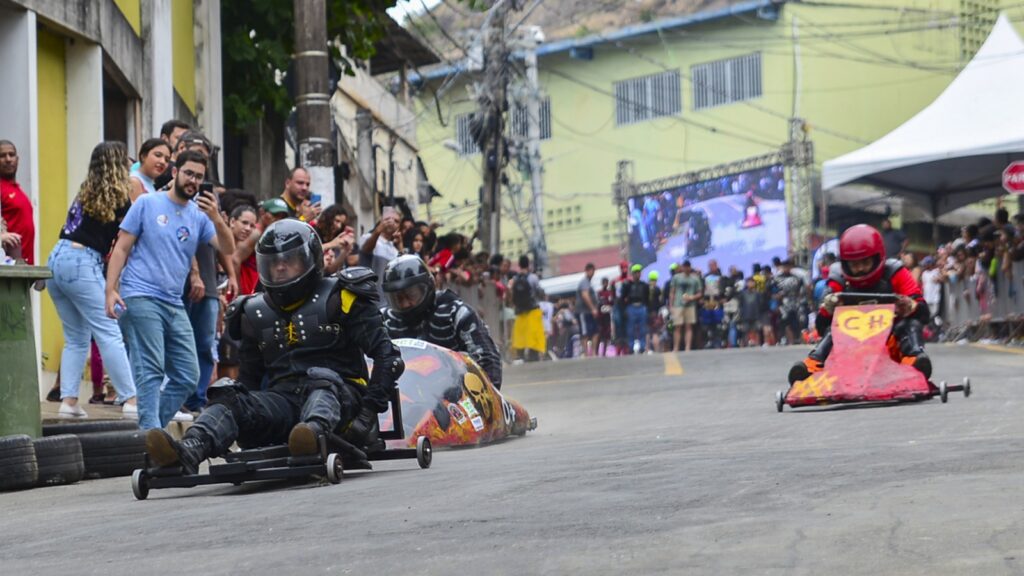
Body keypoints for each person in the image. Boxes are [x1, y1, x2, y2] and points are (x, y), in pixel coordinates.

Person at [144, 220, 404, 474]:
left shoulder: (343, 295)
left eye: (287, 261)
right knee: (230, 394)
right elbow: (249, 380)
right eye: (273, 262)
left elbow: (387, 357)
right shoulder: (254, 311)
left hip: (342, 398)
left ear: (308, 260)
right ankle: (189, 449)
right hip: (285, 402)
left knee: (322, 383)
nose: (279, 268)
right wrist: (246, 416)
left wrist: (367, 415)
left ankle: (312, 436)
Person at [105, 150, 235, 430]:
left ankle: (151, 431)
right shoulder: (147, 204)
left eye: (199, 177)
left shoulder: (200, 217)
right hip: (139, 295)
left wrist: (216, 218)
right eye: (189, 173)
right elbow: (121, 248)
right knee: (150, 369)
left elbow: (228, 248)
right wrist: (110, 290)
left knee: (188, 374)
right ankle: (150, 433)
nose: (193, 180)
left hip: (173, 302)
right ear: (175, 173)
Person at [46, 142, 138, 419]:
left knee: (75, 337)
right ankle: (132, 400)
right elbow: (129, 236)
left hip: (57, 258)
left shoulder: (87, 190)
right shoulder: (122, 195)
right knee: (109, 331)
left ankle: (69, 401)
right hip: (82, 262)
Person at [788, 224, 931, 386]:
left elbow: (924, 314)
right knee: (832, 331)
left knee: (911, 324)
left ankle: (914, 363)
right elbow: (821, 327)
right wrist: (827, 310)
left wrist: (911, 306)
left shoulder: (895, 272)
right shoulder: (838, 279)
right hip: (850, 348)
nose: (861, 269)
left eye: (865, 262)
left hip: (891, 345)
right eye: (854, 265)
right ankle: (811, 367)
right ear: (846, 264)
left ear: (877, 258)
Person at [380, 255, 502, 388]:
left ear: (428, 286)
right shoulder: (384, 320)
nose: (405, 304)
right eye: (398, 299)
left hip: (455, 395)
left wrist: (484, 402)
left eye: (411, 295)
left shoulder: (456, 313)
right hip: (403, 398)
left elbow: (487, 359)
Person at [0, 140, 35, 264]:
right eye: (2, 156)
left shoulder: (18, 190)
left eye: (11, 154)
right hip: (8, 269)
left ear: (17, 159)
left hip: (24, 266)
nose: (8, 159)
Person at [509, 255, 545, 361]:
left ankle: (520, 355)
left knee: (520, 334)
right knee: (534, 334)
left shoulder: (515, 279)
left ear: (519, 265)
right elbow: (539, 292)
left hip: (520, 311)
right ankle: (533, 355)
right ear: (528, 264)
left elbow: (512, 294)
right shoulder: (533, 278)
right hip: (533, 310)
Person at [772, 259, 806, 345]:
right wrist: (776, 299)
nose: (787, 268)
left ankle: (797, 338)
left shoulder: (797, 278)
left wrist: (801, 298)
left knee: (797, 321)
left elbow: (802, 290)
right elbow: (772, 292)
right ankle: (789, 340)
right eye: (785, 267)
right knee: (784, 322)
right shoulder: (777, 279)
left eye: (788, 266)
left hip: (795, 303)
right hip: (783, 304)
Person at [669, 260, 702, 352]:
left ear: (690, 267)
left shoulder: (695, 278)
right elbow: (672, 292)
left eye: (688, 266)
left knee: (688, 326)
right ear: (682, 267)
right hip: (678, 304)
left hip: (690, 304)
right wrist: (671, 305)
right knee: (677, 326)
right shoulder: (676, 278)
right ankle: (676, 347)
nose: (686, 268)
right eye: (685, 266)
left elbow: (699, 293)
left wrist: (692, 297)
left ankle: (687, 347)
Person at [621, 264, 650, 354]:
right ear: (632, 274)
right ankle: (630, 346)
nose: (637, 274)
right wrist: (625, 309)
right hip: (631, 307)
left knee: (642, 329)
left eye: (639, 272)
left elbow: (647, 297)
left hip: (641, 307)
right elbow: (623, 297)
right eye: (636, 273)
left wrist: (647, 308)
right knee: (630, 329)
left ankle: (642, 346)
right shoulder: (627, 285)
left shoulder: (644, 285)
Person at [576, 262, 600, 357]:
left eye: (593, 271)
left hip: (589, 312)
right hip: (583, 312)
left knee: (595, 331)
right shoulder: (584, 282)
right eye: (590, 271)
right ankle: (586, 353)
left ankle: (593, 353)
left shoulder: (589, 283)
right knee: (585, 333)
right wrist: (593, 308)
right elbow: (585, 295)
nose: (592, 273)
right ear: (587, 271)